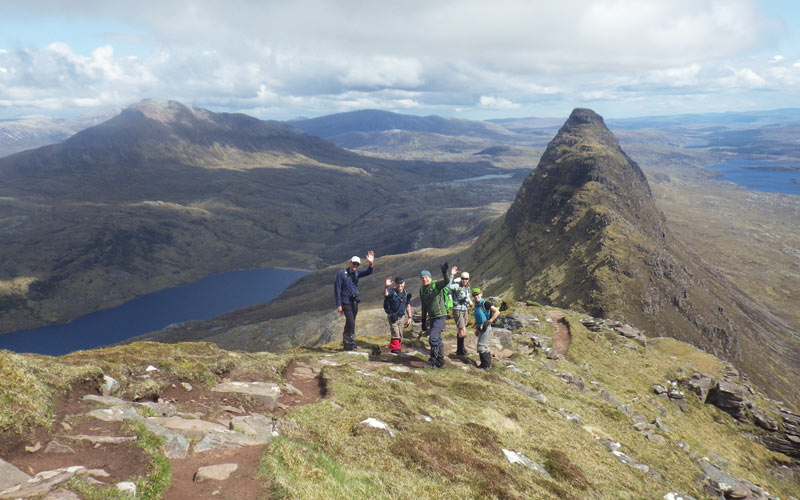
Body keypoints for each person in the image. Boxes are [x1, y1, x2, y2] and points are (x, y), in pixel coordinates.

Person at [333, 251, 374, 350]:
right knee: (351, 321)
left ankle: (347, 342)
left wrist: (371, 263)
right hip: (345, 301)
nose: (355, 265)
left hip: (354, 302)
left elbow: (368, 272)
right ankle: (350, 341)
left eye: (357, 264)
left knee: (351, 321)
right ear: (350, 263)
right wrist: (339, 304)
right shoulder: (342, 273)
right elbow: (337, 288)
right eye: (354, 263)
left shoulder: (356, 273)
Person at [419, 263, 453, 368]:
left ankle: (432, 360)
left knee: (433, 339)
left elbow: (447, 281)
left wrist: (444, 272)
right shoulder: (422, 290)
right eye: (422, 278)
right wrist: (423, 321)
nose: (424, 279)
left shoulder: (436, 285)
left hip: (440, 315)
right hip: (432, 317)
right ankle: (440, 361)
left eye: (426, 277)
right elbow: (424, 306)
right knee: (437, 339)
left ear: (430, 277)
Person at [471, 288, 499, 370]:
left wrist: (490, 320)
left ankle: (485, 366)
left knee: (481, 346)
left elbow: (497, 312)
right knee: (484, 345)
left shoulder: (485, 303)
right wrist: (476, 329)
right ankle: (486, 364)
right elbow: (478, 317)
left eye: (477, 294)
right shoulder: (476, 304)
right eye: (474, 295)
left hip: (485, 327)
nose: (476, 296)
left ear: (481, 294)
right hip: (480, 327)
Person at [383, 276, 412, 354]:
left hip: (402, 317)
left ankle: (395, 348)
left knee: (400, 333)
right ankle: (396, 350)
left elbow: (408, 305)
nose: (400, 285)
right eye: (398, 284)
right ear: (395, 284)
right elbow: (385, 294)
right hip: (392, 316)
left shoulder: (406, 294)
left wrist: (409, 317)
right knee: (395, 333)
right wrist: (386, 287)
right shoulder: (392, 292)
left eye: (401, 283)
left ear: (404, 283)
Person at [448, 267, 473, 356]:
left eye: (466, 279)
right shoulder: (456, 286)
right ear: (461, 279)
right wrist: (452, 275)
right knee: (463, 329)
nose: (464, 280)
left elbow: (468, 296)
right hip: (457, 309)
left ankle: (460, 349)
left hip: (465, 309)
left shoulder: (467, 287)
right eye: (463, 278)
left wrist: (470, 301)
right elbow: (448, 287)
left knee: (461, 329)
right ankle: (461, 349)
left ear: (468, 279)